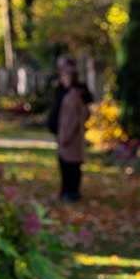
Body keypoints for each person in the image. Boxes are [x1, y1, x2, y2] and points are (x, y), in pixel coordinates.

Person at [57, 66, 90, 201]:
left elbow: (72, 120)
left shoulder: (74, 97)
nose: (62, 80)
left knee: (71, 168)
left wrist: (64, 138)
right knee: (70, 167)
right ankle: (69, 192)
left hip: (70, 139)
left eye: (65, 77)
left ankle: (71, 193)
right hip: (71, 138)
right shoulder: (73, 95)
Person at [47, 56, 92, 134]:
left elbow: (88, 100)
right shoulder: (62, 87)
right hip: (61, 124)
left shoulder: (79, 87)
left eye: (63, 67)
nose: (61, 70)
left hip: (72, 126)